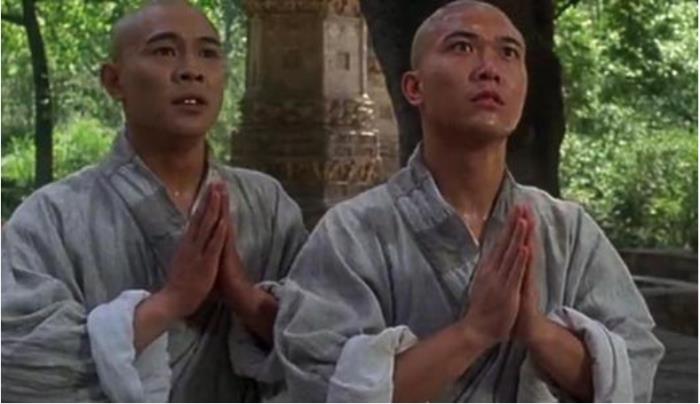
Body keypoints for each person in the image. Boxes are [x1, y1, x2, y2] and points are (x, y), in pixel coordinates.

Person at [274, 1, 664, 402]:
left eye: (508, 53)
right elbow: (320, 385)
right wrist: (474, 332)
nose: (489, 69)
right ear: (414, 88)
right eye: (462, 47)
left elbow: (633, 371)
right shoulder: (352, 233)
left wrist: (536, 330)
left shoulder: (569, 231)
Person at [1, 0, 307, 401]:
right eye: (164, 51)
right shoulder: (53, 216)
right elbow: (16, 360)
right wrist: (171, 302)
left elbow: (323, 345)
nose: (191, 70)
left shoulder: (268, 205)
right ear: (114, 81)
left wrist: (245, 297)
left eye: (208, 53)